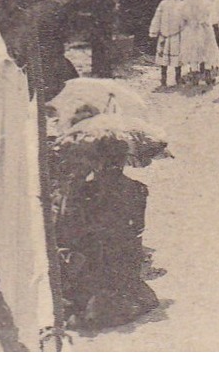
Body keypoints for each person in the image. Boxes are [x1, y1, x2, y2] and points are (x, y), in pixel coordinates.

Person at [56, 140, 160, 330]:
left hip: (93, 254)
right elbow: (138, 227)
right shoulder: (137, 188)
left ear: (97, 162)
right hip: (124, 255)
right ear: (122, 162)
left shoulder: (86, 189)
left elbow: (74, 227)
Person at [148, 0, 185, 89]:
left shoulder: (163, 4)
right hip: (176, 36)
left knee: (163, 61)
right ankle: (177, 78)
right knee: (177, 60)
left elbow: (157, 18)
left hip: (164, 36)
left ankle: (163, 80)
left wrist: (153, 32)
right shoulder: (182, 5)